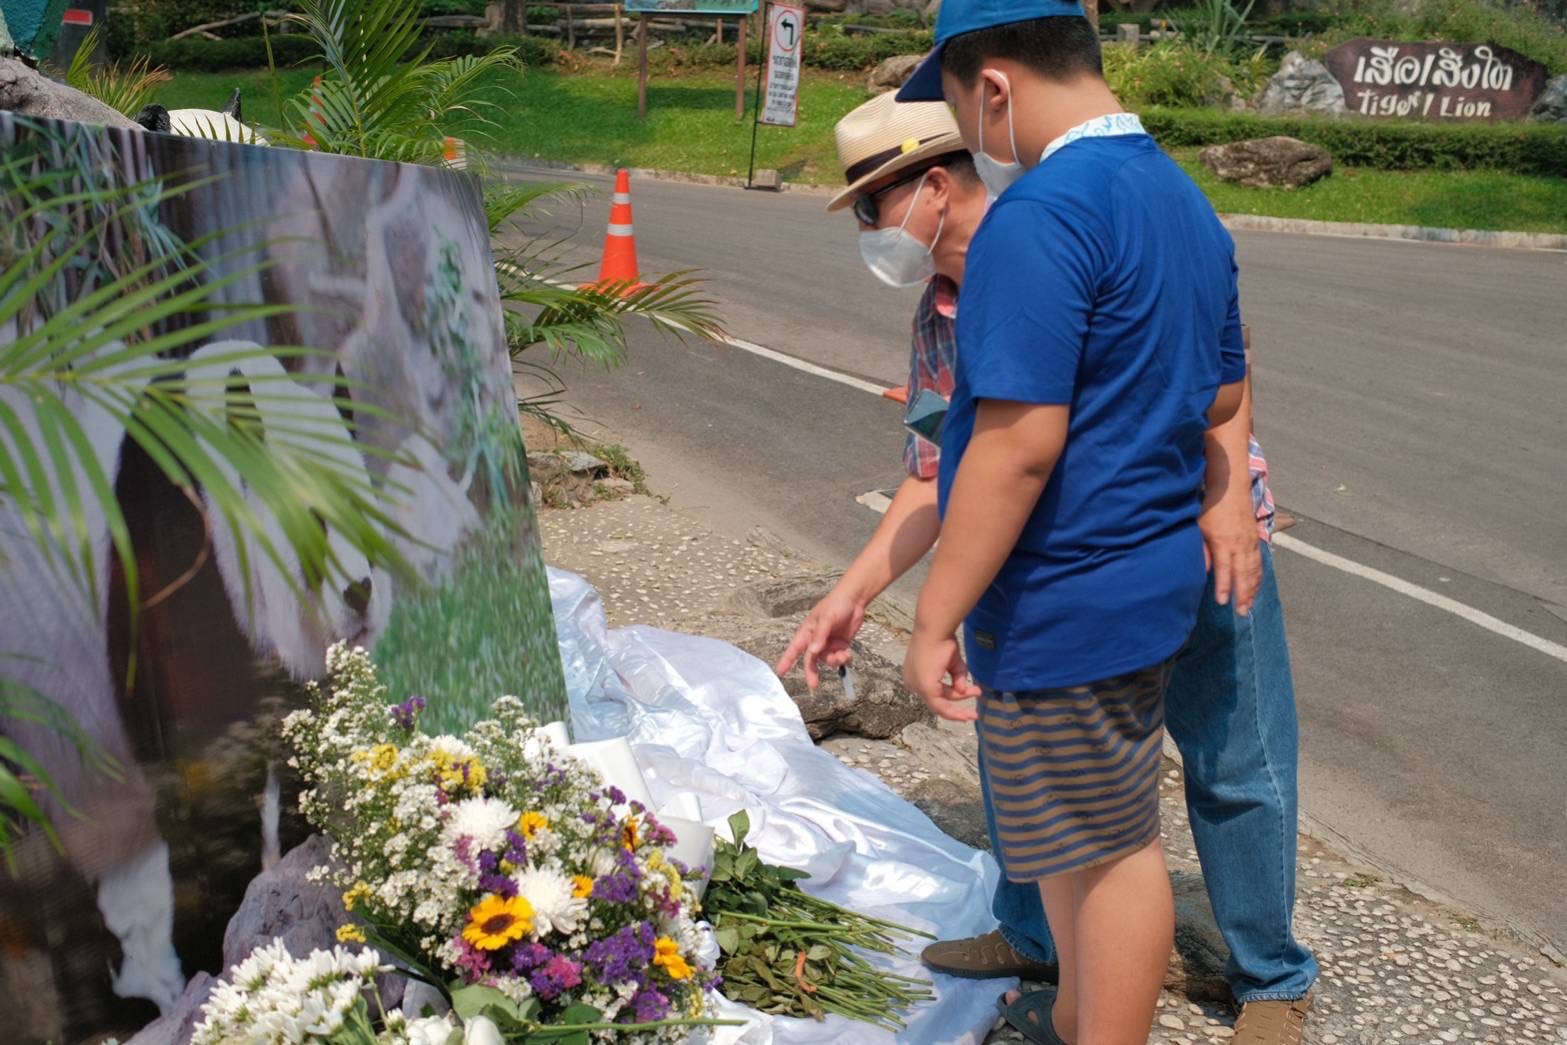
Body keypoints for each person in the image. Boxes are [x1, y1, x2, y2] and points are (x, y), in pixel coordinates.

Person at [778, 84, 1316, 1045]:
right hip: (1054, 573)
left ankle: (1269, 977)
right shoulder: (942, 312)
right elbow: (942, 471)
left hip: (1193, 537)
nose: (868, 231)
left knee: (1230, 763)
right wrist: (853, 594)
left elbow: (1216, 368)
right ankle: (1042, 946)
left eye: (871, 206)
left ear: (933, 184)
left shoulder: (1062, 232)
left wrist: (1230, 495)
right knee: (1039, 774)